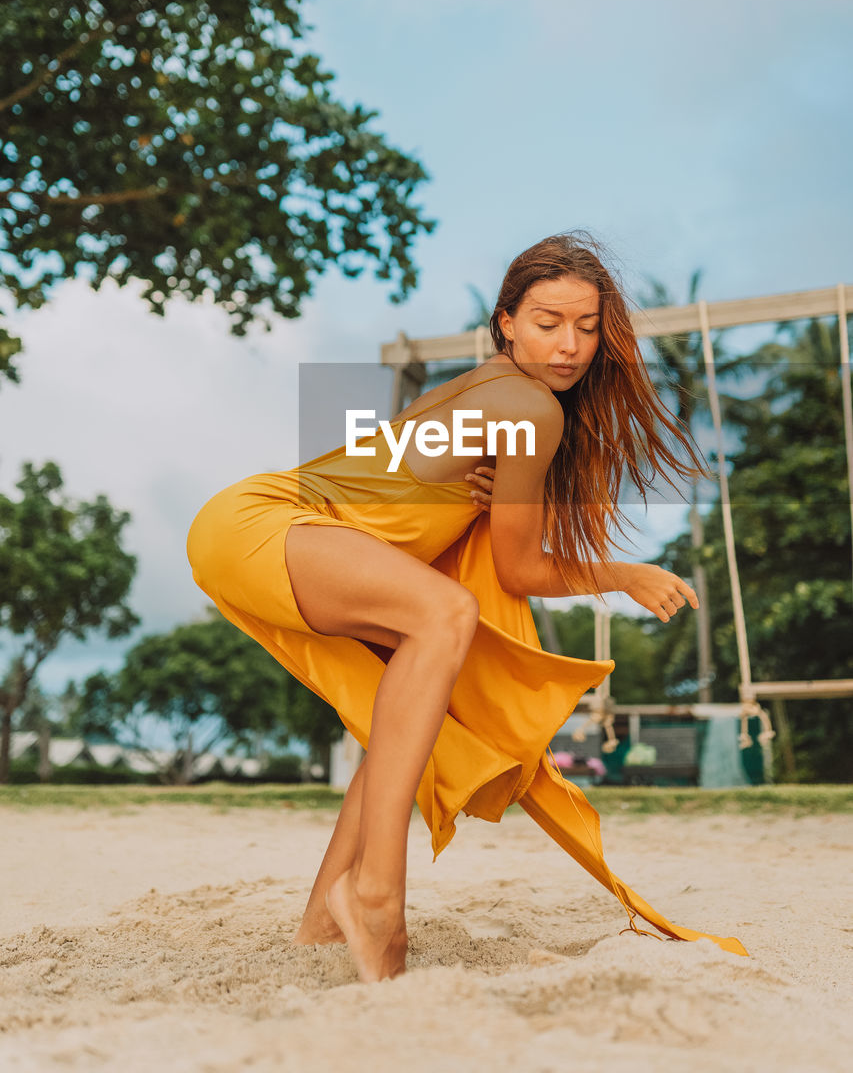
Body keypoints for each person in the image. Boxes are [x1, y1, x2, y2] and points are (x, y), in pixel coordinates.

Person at [186, 230, 747, 983]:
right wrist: (622, 572)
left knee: (409, 713)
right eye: (548, 322)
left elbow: (454, 514)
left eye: (586, 326)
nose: (570, 345)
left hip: (258, 524)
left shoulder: (494, 392)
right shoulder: (530, 408)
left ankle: (327, 914)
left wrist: (510, 501)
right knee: (445, 614)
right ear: (506, 320)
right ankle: (379, 892)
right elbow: (517, 569)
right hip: (273, 524)